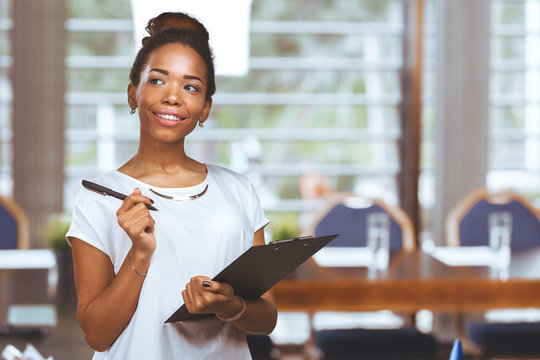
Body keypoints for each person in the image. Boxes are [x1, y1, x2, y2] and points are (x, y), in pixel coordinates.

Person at [66, 12, 277, 359]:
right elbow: (97, 335)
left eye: (190, 86)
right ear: (133, 93)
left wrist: (231, 306)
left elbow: (267, 317)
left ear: (205, 107)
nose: (173, 97)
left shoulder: (239, 191)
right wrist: (140, 252)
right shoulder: (97, 197)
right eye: (158, 81)